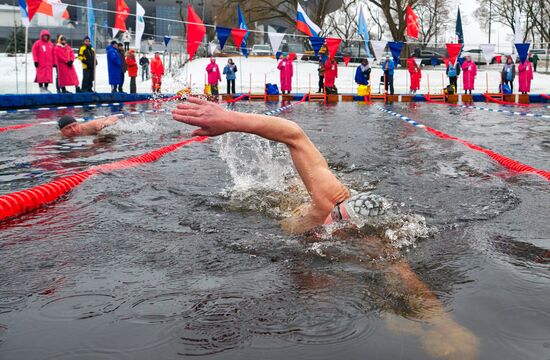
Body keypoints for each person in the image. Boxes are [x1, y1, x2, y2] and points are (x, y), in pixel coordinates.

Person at [171, 98, 480, 359]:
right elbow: (294, 135)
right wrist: (231, 119)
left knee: (371, 257)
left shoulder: (323, 205)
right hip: (324, 219)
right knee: (370, 258)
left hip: (326, 222)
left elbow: (294, 135)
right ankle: (417, 316)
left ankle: (412, 315)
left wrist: (230, 117)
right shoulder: (316, 206)